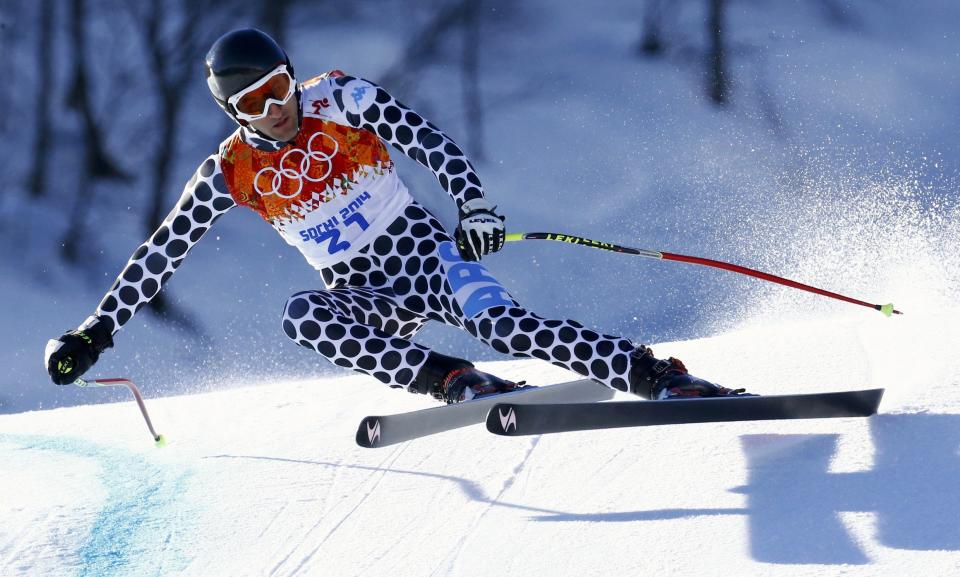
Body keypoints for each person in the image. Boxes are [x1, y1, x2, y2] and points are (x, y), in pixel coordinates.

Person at [45, 28, 749, 403]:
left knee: (506, 325)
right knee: (304, 315)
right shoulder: (231, 170)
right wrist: (94, 332)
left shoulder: (339, 98)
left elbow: (426, 138)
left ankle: (651, 373)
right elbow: (159, 254)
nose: (277, 108)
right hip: (364, 292)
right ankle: (446, 377)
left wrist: (471, 203)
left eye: (279, 87)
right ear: (233, 113)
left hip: (425, 256)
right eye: (254, 103)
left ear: (294, 73)